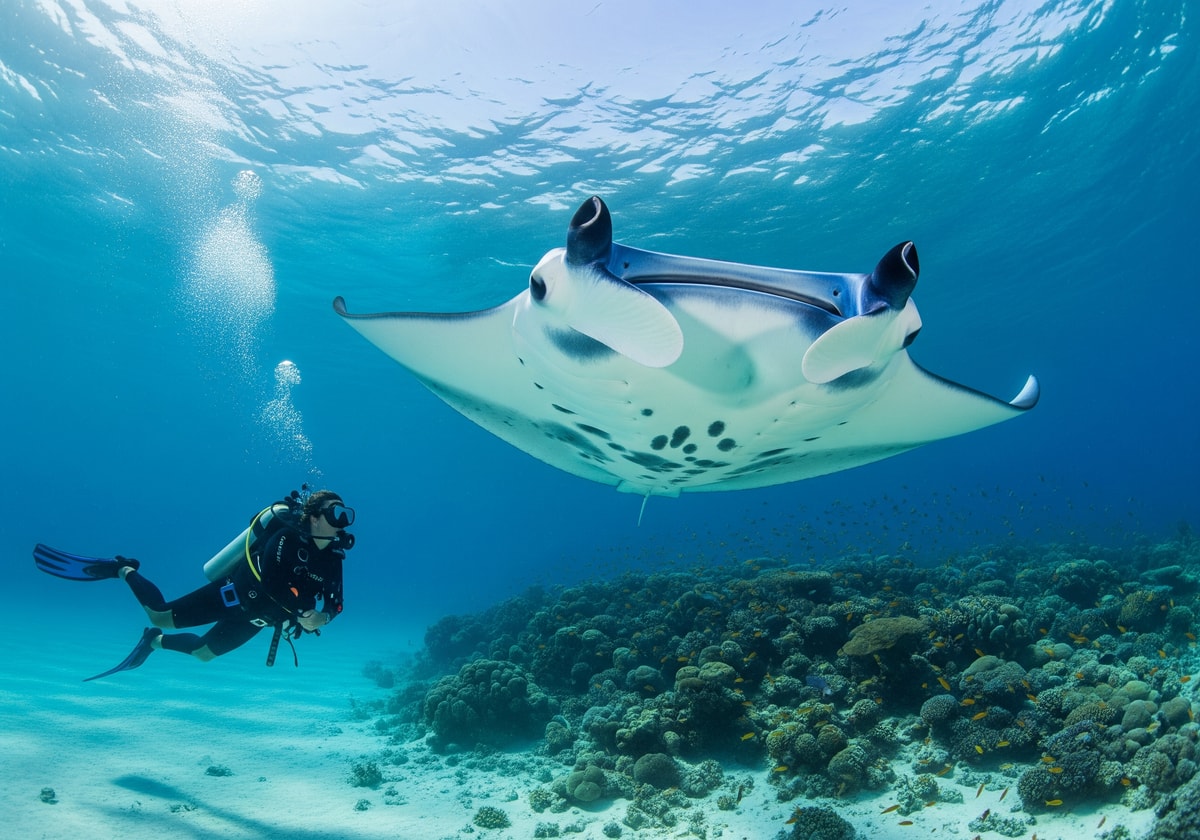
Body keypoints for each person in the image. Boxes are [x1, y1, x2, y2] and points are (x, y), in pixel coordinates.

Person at [33, 489, 353, 680]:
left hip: (258, 618)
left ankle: (152, 642)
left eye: (345, 515)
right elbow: (270, 579)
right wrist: (301, 612)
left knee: (202, 653)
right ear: (313, 517)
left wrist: (322, 617)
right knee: (159, 614)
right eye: (335, 513)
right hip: (233, 595)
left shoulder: (332, 559)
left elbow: (336, 602)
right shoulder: (286, 536)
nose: (342, 522)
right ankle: (123, 568)